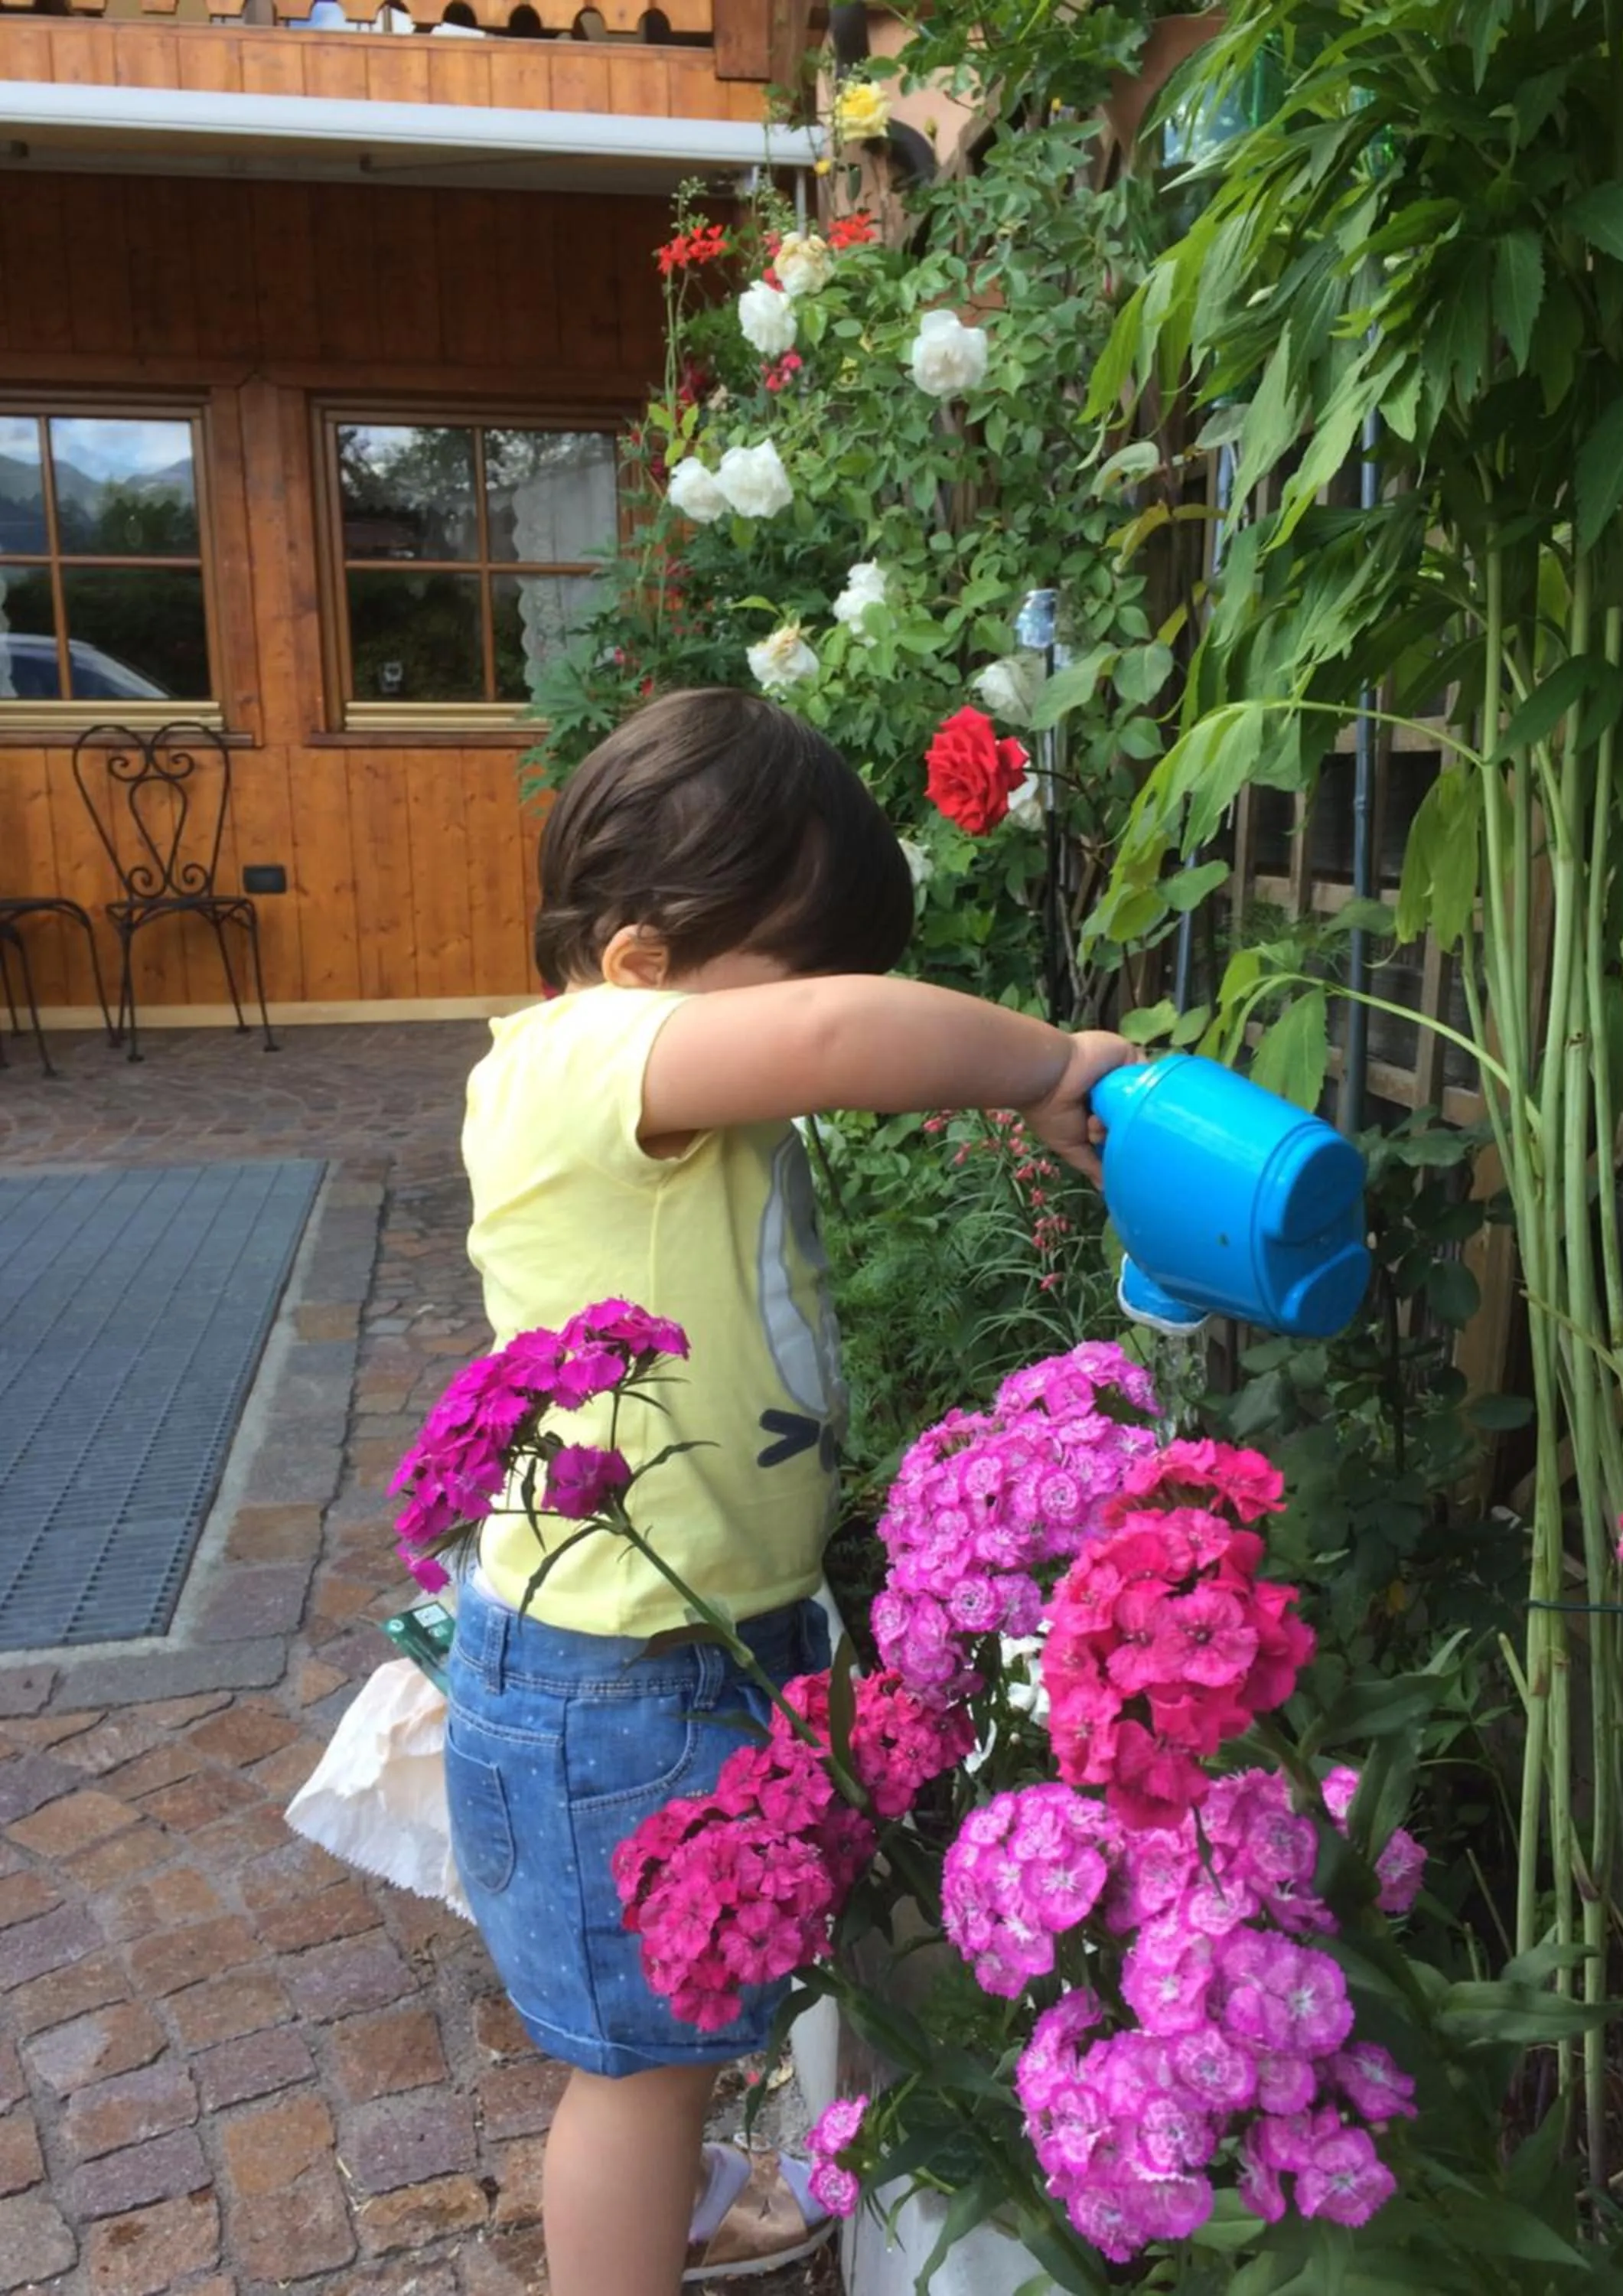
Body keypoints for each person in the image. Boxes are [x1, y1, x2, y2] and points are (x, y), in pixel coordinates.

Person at [447, 687, 1140, 2296]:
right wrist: (1042, 1062)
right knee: (633, 2067)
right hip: (613, 1674)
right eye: (812, 963)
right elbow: (836, 1039)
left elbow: (809, 1030)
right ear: (639, 958)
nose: (841, 1007)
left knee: (679, 2022)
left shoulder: (662, 1083)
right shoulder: (584, 1061)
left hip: (706, 1635)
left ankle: (684, 2211)